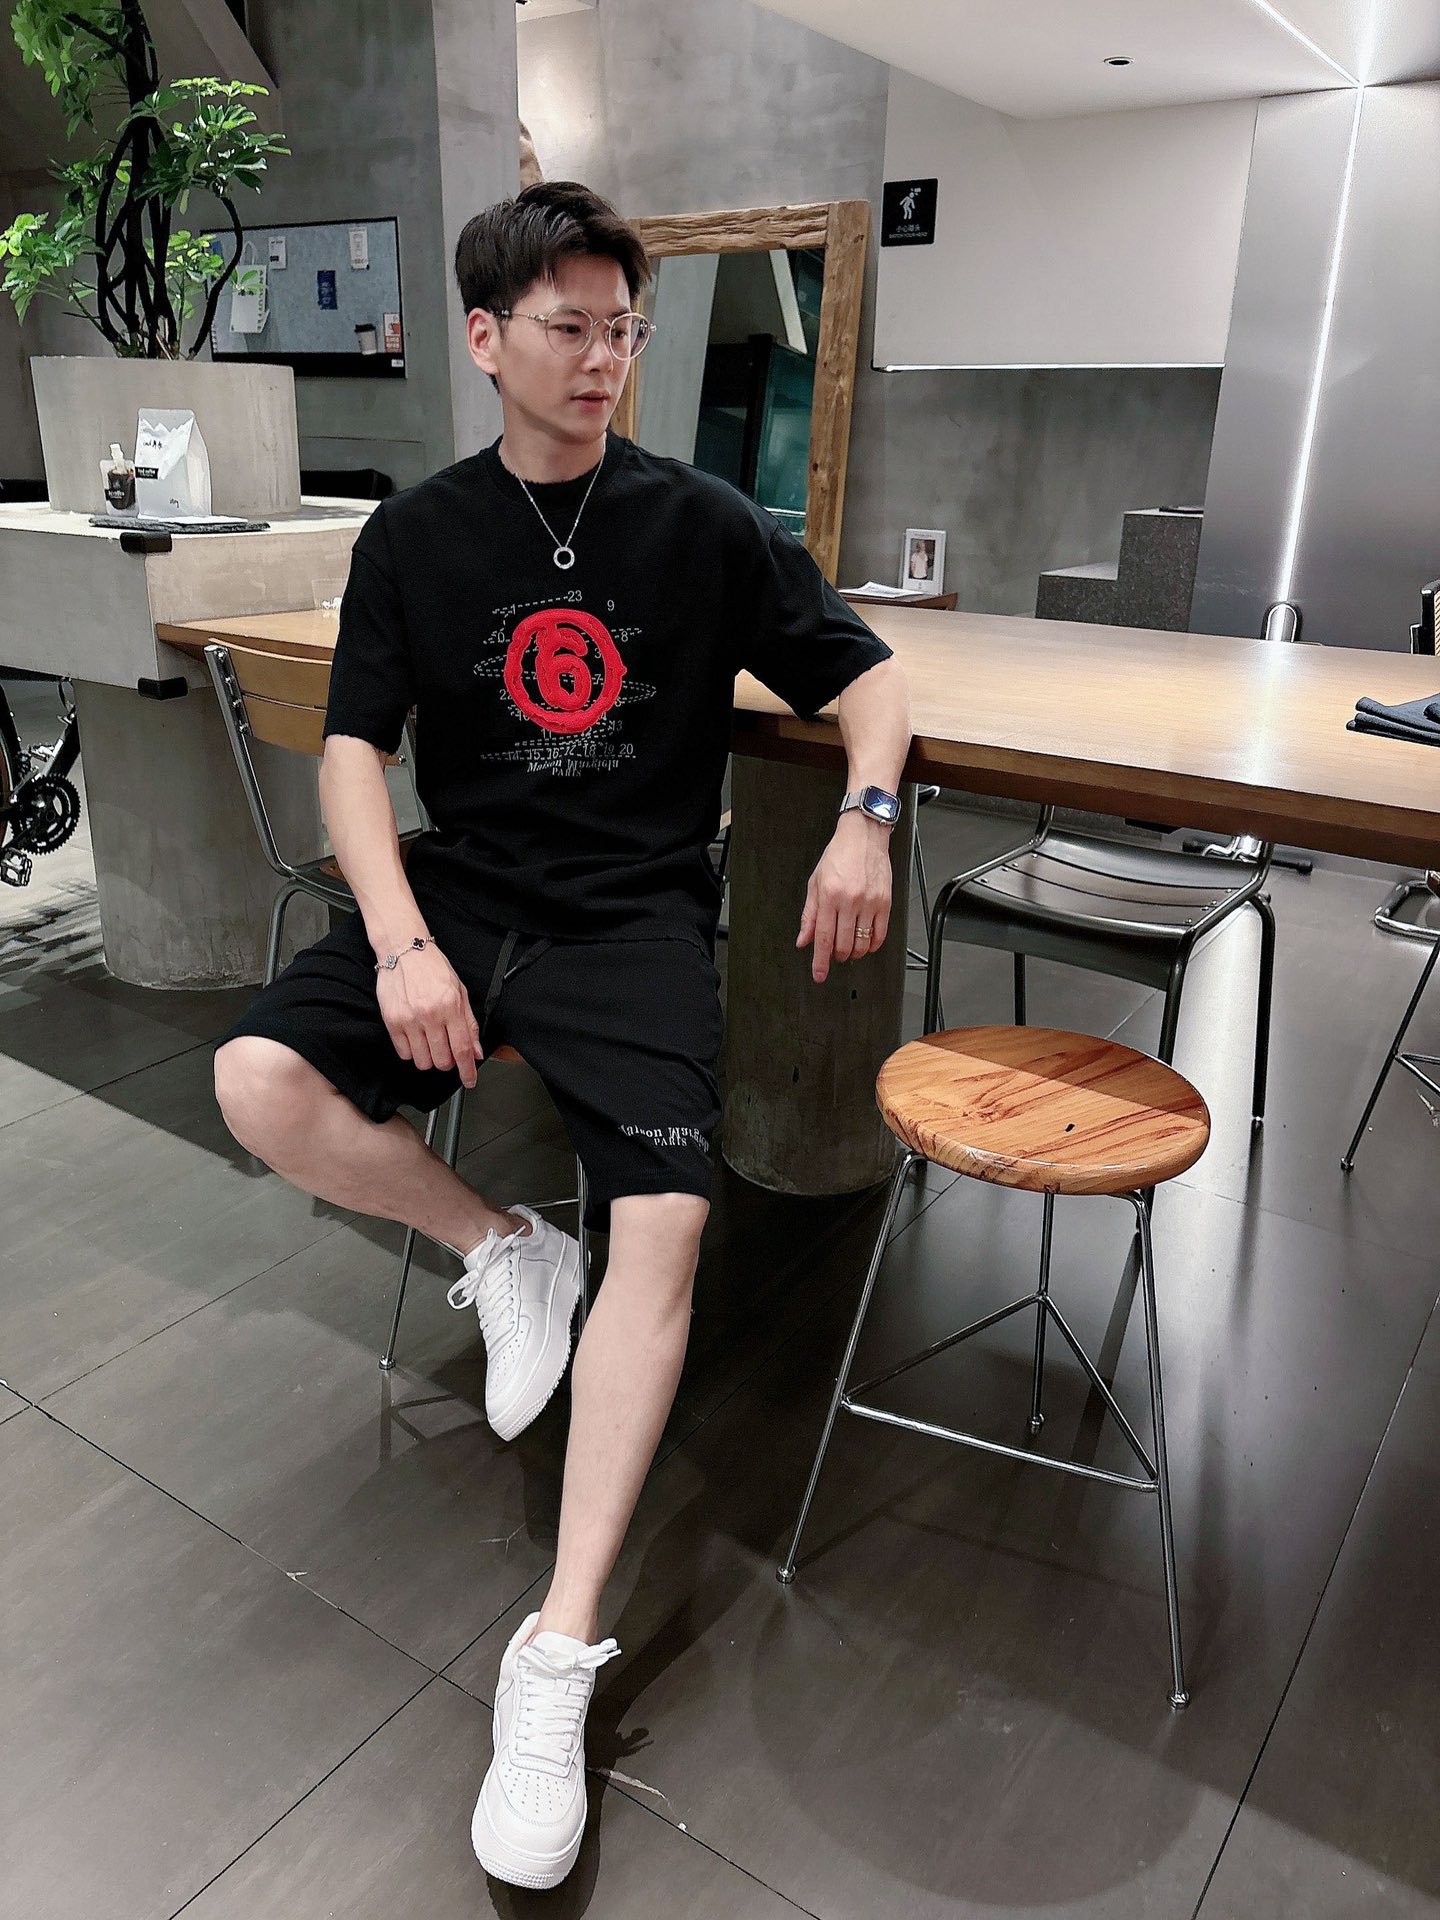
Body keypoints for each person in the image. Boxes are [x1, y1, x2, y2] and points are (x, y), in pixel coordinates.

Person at [212, 180, 911, 1892]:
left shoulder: (703, 524)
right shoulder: (419, 536)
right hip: (462, 894)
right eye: (570, 327)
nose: (605, 359)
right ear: (485, 337)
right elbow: (354, 754)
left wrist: (867, 819)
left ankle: (558, 1649)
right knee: (256, 1081)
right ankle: (501, 1245)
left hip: (633, 920)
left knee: (666, 1222)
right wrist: (399, 941)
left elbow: (869, 679)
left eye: (624, 330)